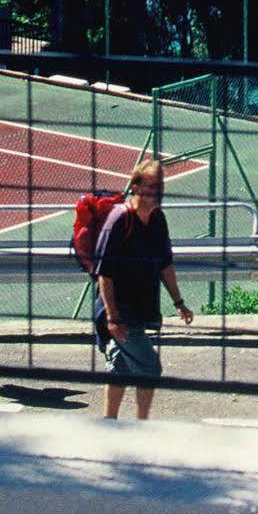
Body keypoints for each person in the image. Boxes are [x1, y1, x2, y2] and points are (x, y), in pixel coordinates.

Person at [93, 157, 194, 420]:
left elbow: (165, 265)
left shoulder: (158, 220)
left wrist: (179, 302)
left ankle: (109, 423)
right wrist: (112, 317)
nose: (157, 192)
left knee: (120, 367)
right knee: (150, 368)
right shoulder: (119, 220)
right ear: (136, 187)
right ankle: (141, 426)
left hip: (142, 307)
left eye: (160, 187)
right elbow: (104, 274)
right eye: (152, 187)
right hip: (119, 311)